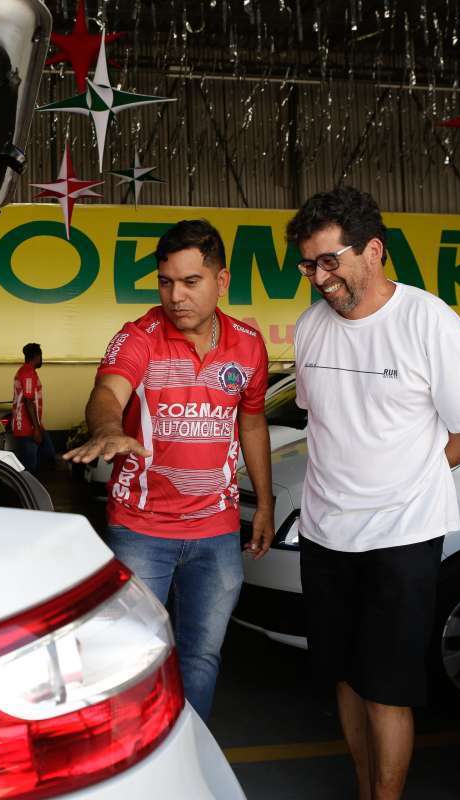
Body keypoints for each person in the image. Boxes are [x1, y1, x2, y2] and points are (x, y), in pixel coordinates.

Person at [286, 186, 460, 800]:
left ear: (373, 251)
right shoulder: (309, 329)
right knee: (345, 678)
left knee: (387, 687)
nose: (319, 279)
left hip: (401, 537)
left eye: (330, 261)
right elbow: (323, 422)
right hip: (325, 534)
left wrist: (411, 481)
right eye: (308, 265)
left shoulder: (428, 322)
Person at [63, 219, 275, 723]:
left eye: (190, 282)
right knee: (128, 659)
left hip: (217, 532)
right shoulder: (139, 336)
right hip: (141, 530)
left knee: (201, 658)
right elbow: (107, 392)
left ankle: (188, 752)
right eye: (165, 282)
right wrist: (106, 428)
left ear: (221, 282)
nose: (175, 296)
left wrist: (264, 503)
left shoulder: (247, 345)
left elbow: (252, 424)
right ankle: (133, 760)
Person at [11, 342, 54, 472]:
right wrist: (36, 428)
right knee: (30, 466)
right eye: (41, 356)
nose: (42, 360)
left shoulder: (28, 371)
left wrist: (38, 426)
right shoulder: (27, 372)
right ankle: (29, 489)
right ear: (36, 356)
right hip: (26, 426)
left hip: (33, 425)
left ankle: (35, 486)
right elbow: (28, 401)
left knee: (48, 455)